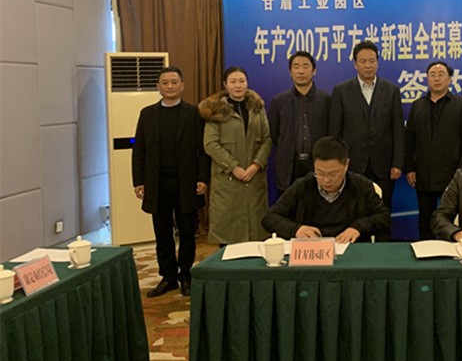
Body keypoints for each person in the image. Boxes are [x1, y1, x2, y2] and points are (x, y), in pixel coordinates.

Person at [132, 66, 210, 297]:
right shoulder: (147, 114)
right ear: (158, 87)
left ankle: (185, 275)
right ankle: (168, 277)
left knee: (187, 232)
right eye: (165, 83)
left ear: (182, 85)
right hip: (157, 183)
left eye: (174, 82)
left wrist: (202, 178)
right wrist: (139, 180)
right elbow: (139, 150)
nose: (169, 86)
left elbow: (202, 150)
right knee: (162, 232)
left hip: (187, 182)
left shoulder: (193, 113)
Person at [262, 136, 391, 242]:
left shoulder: (361, 186)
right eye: (320, 173)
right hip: (312, 252)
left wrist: (357, 228)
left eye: (333, 174)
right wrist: (296, 229)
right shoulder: (303, 186)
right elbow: (269, 218)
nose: (326, 180)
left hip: (351, 251)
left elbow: (383, 217)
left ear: (346, 165)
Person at [329, 41, 404, 219]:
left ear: (377, 63)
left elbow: (398, 130)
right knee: (353, 209)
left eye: (372, 61)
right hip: (352, 163)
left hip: (384, 164)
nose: (368, 65)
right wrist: (338, 163)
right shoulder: (341, 91)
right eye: (363, 61)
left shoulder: (391, 90)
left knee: (383, 209)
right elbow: (335, 132)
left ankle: (383, 237)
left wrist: (397, 163)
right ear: (355, 64)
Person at [199, 66, 273, 245]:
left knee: (257, 234)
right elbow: (210, 144)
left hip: (254, 179)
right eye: (233, 81)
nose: (238, 85)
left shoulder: (257, 108)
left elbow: (267, 139)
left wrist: (256, 165)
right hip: (228, 181)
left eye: (241, 81)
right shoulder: (216, 111)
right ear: (225, 85)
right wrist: (234, 167)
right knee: (228, 235)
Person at [405, 61, 462, 240]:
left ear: (450, 79)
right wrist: (410, 168)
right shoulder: (417, 105)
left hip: (452, 175)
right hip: (424, 174)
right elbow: (409, 139)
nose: (436, 78)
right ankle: (426, 252)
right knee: (425, 220)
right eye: (432, 75)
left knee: (453, 221)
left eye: (441, 74)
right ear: (427, 78)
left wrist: (461, 172)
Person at [268, 51, 331, 193]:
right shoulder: (279, 101)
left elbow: (331, 132)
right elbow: (274, 135)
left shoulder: (327, 100)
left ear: (314, 71)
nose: (301, 71)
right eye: (296, 67)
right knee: (289, 204)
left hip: (318, 164)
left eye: (305, 66)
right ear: (290, 72)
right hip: (289, 166)